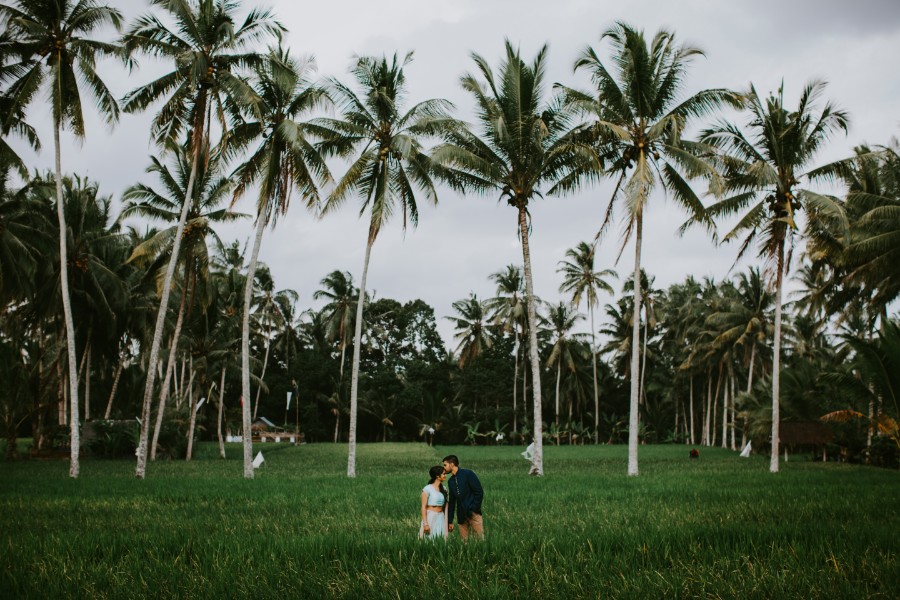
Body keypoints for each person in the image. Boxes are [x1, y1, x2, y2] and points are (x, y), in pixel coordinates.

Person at [442, 454, 484, 541]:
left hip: (474, 514)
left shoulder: (468, 474)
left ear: (452, 464)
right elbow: (452, 501)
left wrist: (474, 509)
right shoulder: (451, 481)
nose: (444, 468)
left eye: (445, 465)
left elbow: (479, 492)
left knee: (479, 540)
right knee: (464, 543)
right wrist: (450, 521)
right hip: (461, 516)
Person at [419, 465, 448, 540]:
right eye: (443, 474)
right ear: (437, 476)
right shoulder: (427, 489)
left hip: (441, 517)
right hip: (431, 516)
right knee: (429, 539)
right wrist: (425, 524)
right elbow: (423, 507)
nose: (445, 475)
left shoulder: (444, 489)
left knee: (440, 538)